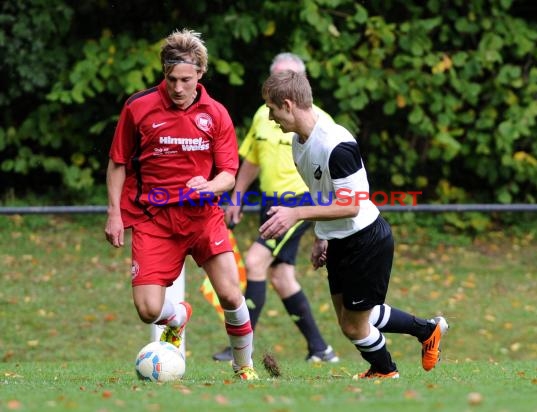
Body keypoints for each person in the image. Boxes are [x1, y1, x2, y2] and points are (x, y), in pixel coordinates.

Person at [258, 70, 449, 379]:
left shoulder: (336, 143)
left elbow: (352, 204)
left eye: (272, 108)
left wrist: (296, 214)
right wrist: (323, 236)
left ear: (289, 104)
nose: (270, 117)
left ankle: (385, 371)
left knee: (354, 324)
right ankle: (428, 330)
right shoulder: (298, 142)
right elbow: (323, 193)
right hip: (341, 240)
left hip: (366, 241)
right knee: (355, 317)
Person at [104, 28, 258, 380]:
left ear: (200, 75)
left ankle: (243, 367)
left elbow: (229, 174)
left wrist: (209, 185)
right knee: (147, 310)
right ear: (164, 74)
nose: (177, 87)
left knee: (232, 296)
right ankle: (177, 316)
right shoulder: (138, 107)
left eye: (186, 79)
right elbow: (118, 163)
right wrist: (114, 212)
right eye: (171, 79)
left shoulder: (216, 114)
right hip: (153, 220)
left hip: (203, 218)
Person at [212, 53, 339, 363]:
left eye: (288, 78)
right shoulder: (263, 116)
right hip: (268, 204)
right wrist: (237, 196)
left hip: (298, 204)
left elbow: (334, 177)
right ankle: (321, 349)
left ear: (301, 86)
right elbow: (252, 159)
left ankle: (240, 347)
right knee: (282, 278)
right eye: (276, 78)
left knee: (255, 262)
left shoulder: (320, 122)